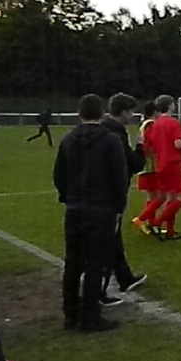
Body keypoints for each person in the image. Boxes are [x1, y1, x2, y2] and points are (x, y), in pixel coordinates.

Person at [53, 94, 127, 333]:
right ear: (102, 113)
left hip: (75, 209)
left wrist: (68, 197)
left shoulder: (67, 140)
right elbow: (119, 179)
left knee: (72, 263)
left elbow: (59, 175)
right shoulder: (111, 141)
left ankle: (70, 314)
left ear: (79, 113)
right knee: (95, 263)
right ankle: (90, 317)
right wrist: (118, 208)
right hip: (101, 210)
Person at [99, 93, 149, 305]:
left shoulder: (103, 128)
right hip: (109, 196)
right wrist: (140, 147)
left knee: (112, 239)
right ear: (124, 112)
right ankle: (100, 291)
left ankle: (124, 278)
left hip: (97, 193)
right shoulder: (116, 135)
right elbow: (134, 164)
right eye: (131, 112)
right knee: (108, 241)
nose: (132, 116)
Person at [145, 95, 181, 240]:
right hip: (173, 163)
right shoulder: (173, 122)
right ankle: (157, 223)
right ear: (170, 105)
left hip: (160, 164)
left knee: (171, 197)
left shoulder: (156, 124)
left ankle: (170, 231)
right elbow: (178, 144)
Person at [131, 102, 164, 235]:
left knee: (152, 196)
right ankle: (141, 219)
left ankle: (152, 224)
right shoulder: (150, 125)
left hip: (147, 165)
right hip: (151, 166)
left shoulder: (145, 124)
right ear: (155, 112)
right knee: (159, 196)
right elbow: (151, 144)